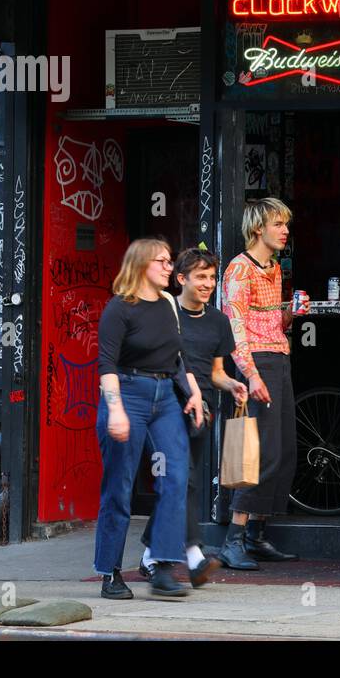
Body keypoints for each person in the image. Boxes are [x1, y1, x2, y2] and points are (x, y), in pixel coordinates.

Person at [95, 238, 203, 600]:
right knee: (119, 487)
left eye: (170, 261)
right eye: (162, 261)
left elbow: (176, 356)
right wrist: (116, 410)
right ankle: (110, 571)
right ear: (141, 264)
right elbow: (106, 364)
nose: (169, 267)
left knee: (175, 476)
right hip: (127, 392)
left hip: (165, 399)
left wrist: (194, 392)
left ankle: (161, 565)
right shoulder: (119, 308)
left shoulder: (170, 303)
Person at [137, 248, 249, 583]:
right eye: (200, 277)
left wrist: (232, 385)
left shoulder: (218, 321)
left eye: (212, 278)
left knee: (182, 484)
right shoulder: (164, 312)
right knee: (178, 480)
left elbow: (215, 371)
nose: (208, 284)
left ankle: (149, 554)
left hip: (201, 413)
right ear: (181, 279)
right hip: (164, 407)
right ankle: (194, 555)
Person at [218, 198, 301, 567]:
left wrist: (290, 314)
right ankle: (233, 537)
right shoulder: (239, 269)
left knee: (283, 451)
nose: (284, 231)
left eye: (285, 224)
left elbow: (271, 324)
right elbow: (234, 328)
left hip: (278, 357)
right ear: (258, 229)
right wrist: (250, 375)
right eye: (278, 224)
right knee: (259, 451)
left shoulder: (274, 268)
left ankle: (256, 533)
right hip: (257, 364)